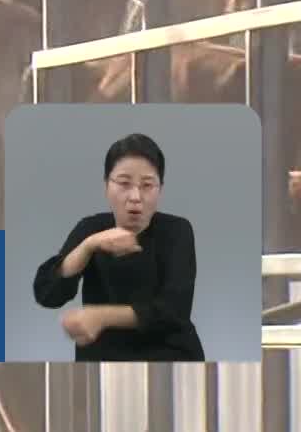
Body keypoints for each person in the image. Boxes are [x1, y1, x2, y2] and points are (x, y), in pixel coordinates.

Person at [32, 132, 205, 361]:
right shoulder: (91, 228)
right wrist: (89, 246)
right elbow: (47, 293)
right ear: (106, 186)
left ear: (160, 189)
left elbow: (173, 311)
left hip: (169, 358)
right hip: (102, 364)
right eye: (124, 183)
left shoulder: (177, 231)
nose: (135, 196)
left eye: (147, 185)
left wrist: (101, 317)